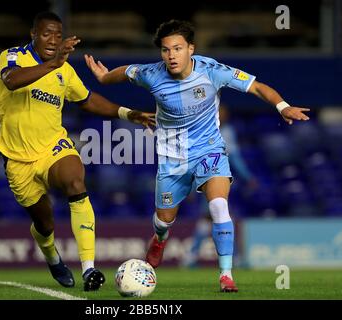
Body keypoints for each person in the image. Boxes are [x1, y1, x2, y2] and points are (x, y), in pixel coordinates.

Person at [84, 19, 310, 292]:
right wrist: (105, 77)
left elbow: (258, 87)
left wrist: (282, 107)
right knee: (164, 219)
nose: (171, 55)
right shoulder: (152, 74)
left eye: (177, 48)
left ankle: (226, 275)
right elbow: (126, 72)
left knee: (218, 207)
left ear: (191, 48)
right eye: (166, 50)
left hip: (209, 150)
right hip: (172, 158)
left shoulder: (212, 70)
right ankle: (159, 238)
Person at [0, 11, 155, 291]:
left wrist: (129, 114)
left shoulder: (65, 72)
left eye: (58, 35)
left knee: (75, 180)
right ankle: (52, 256)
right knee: (44, 224)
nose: (53, 40)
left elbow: (88, 100)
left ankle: (89, 269)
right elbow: (11, 80)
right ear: (33, 34)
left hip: (53, 148)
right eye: (47, 34)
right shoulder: (12, 56)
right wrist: (54, 63)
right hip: (18, 159)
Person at [181, 104, 258, 268]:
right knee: (219, 217)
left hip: (219, 179)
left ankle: (191, 257)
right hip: (205, 179)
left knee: (210, 219)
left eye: (223, 113)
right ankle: (234, 258)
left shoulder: (227, 132)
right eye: (218, 113)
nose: (221, 116)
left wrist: (246, 176)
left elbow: (235, 157)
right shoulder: (203, 131)